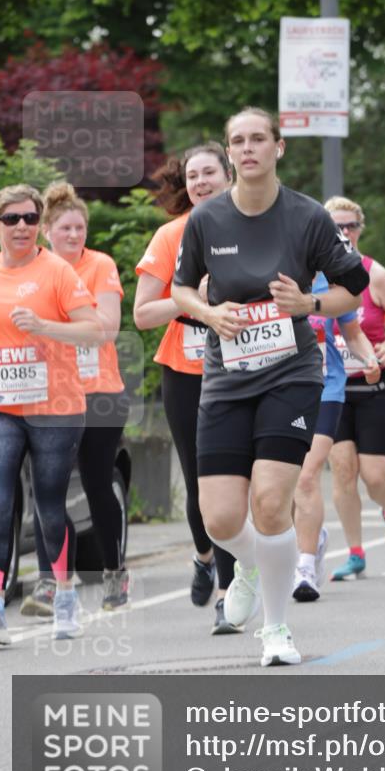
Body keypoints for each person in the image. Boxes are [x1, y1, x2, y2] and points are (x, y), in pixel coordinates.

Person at [171, 107, 368, 666]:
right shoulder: (206, 219)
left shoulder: (307, 217)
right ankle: (252, 566)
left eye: (259, 139)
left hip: (291, 374)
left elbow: (354, 289)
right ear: (229, 152)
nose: (248, 148)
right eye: (238, 140)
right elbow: (181, 289)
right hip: (227, 378)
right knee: (220, 519)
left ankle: (276, 630)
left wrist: (308, 304)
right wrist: (210, 315)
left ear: (278, 148)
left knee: (271, 501)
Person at [134, 143, 239, 632]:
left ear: (228, 175)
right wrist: (191, 302)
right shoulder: (171, 235)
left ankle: (229, 581)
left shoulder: (256, 226)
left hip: (249, 370)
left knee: (245, 481)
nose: (200, 182)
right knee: (202, 482)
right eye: (192, 175)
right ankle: (211, 566)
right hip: (188, 373)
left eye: (209, 173)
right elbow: (142, 314)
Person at [0, 184, 103, 645]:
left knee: (50, 502)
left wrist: (44, 327)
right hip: (1, 405)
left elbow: (95, 331)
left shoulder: (57, 270)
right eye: (12, 219)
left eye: (31, 219)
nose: (23, 226)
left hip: (55, 405)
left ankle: (63, 596)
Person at [19, 182, 130, 616]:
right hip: (49, 395)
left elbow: (106, 327)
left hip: (100, 392)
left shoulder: (99, 265)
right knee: (52, 490)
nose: (73, 235)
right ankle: (52, 584)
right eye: (64, 228)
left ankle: (114, 575)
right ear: (47, 230)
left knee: (98, 484)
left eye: (80, 228)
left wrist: (50, 325)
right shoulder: (31, 270)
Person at [322, 196, 385, 581]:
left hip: (373, 388)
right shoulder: (313, 277)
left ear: (360, 230)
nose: (344, 233)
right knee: (343, 471)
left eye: (350, 227)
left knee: (375, 476)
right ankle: (355, 552)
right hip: (332, 390)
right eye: (336, 227)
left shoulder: (374, 274)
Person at [292, 273, 380, 601]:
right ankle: (311, 537)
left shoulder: (328, 284)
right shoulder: (263, 271)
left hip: (326, 386)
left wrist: (368, 358)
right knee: (282, 486)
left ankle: (304, 566)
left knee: (306, 476)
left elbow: (353, 333)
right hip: (280, 391)